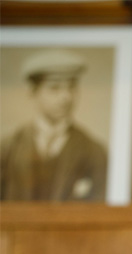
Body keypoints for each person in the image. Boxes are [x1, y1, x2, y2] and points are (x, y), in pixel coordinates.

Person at [0, 48, 108, 202]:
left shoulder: (94, 152)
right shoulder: (7, 148)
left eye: (71, 87)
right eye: (54, 88)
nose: (66, 97)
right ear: (33, 92)